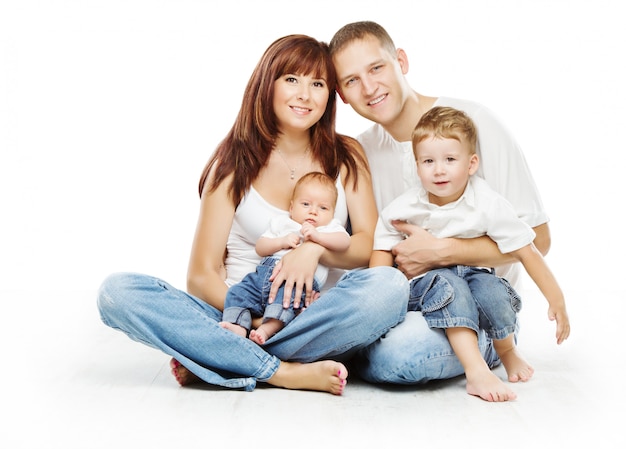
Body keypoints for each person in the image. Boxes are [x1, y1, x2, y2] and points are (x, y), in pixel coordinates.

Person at [96, 34, 409, 396]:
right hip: (239, 311)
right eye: (291, 79)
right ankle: (281, 371)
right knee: (116, 293)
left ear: (330, 94)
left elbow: (367, 244)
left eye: (318, 83)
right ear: (267, 85)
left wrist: (313, 249)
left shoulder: (347, 154)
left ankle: (220, 357)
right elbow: (201, 276)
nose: (305, 95)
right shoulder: (233, 164)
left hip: (316, 316)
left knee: (390, 287)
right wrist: (257, 320)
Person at [329, 21, 554, 390]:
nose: (369, 88)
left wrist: (443, 252)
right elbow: (366, 245)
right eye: (352, 80)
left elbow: (539, 239)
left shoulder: (474, 124)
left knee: (399, 355)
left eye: (377, 68)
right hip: (408, 301)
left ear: (401, 61)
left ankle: (493, 349)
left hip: (479, 306)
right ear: (341, 94)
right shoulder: (362, 150)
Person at [370, 106, 570, 401]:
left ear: (471, 163)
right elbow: (381, 254)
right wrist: (378, 303)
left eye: (450, 159)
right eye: (428, 161)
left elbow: (527, 251)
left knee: (493, 289)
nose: (439, 169)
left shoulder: (487, 202)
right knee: (452, 287)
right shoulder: (404, 208)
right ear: (417, 166)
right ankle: (476, 371)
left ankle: (507, 350)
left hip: (475, 274)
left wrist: (557, 300)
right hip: (427, 286)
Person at [220, 171, 350, 345]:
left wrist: (318, 238)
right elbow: (261, 247)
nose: (313, 211)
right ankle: (238, 326)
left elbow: (344, 242)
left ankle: (266, 330)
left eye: (323, 208)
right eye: (305, 204)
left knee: (287, 301)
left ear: (332, 214)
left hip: (299, 283)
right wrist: (281, 241)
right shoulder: (282, 223)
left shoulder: (329, 228)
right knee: (237, 293)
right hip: (263, 276)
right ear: (291, 208)